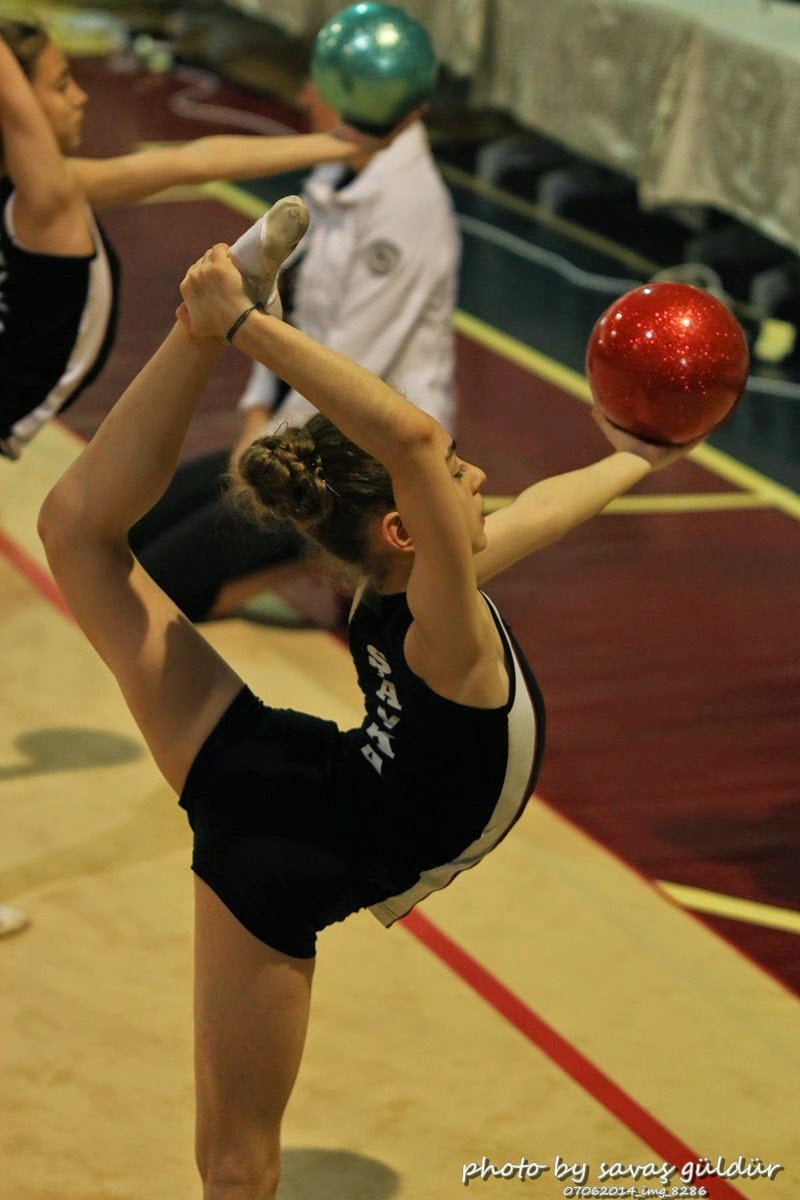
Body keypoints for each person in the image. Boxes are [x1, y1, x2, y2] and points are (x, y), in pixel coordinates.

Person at [38, 200, 695, 1198]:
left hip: (296, 772)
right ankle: (210, 320)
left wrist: (632, 457)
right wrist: (248, 327)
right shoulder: (442, 628)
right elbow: (414, 440)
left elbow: (543, 508)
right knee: (236, 1169)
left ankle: (193, 329)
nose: (478, 481)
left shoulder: (410, 591)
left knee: (74, 532)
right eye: (461, 478)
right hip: (287, 856)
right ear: (403, 528)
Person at [128, 4, 461, 622]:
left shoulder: (408, 209)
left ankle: (329, 558)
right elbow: (287, 301)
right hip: (300, 430)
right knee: (132, 531)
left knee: (163, 580)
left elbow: (350, 369)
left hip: (357, 465)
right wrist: (256, 415)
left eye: (321, 86)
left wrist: (264, 448)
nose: (306, 95)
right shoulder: (338, 170)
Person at [0, 19, 369, 461]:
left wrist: (340, 144)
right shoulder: (47, 202)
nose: (80, 96)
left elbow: (197, 161)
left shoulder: (54, 189)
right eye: (61, 86)